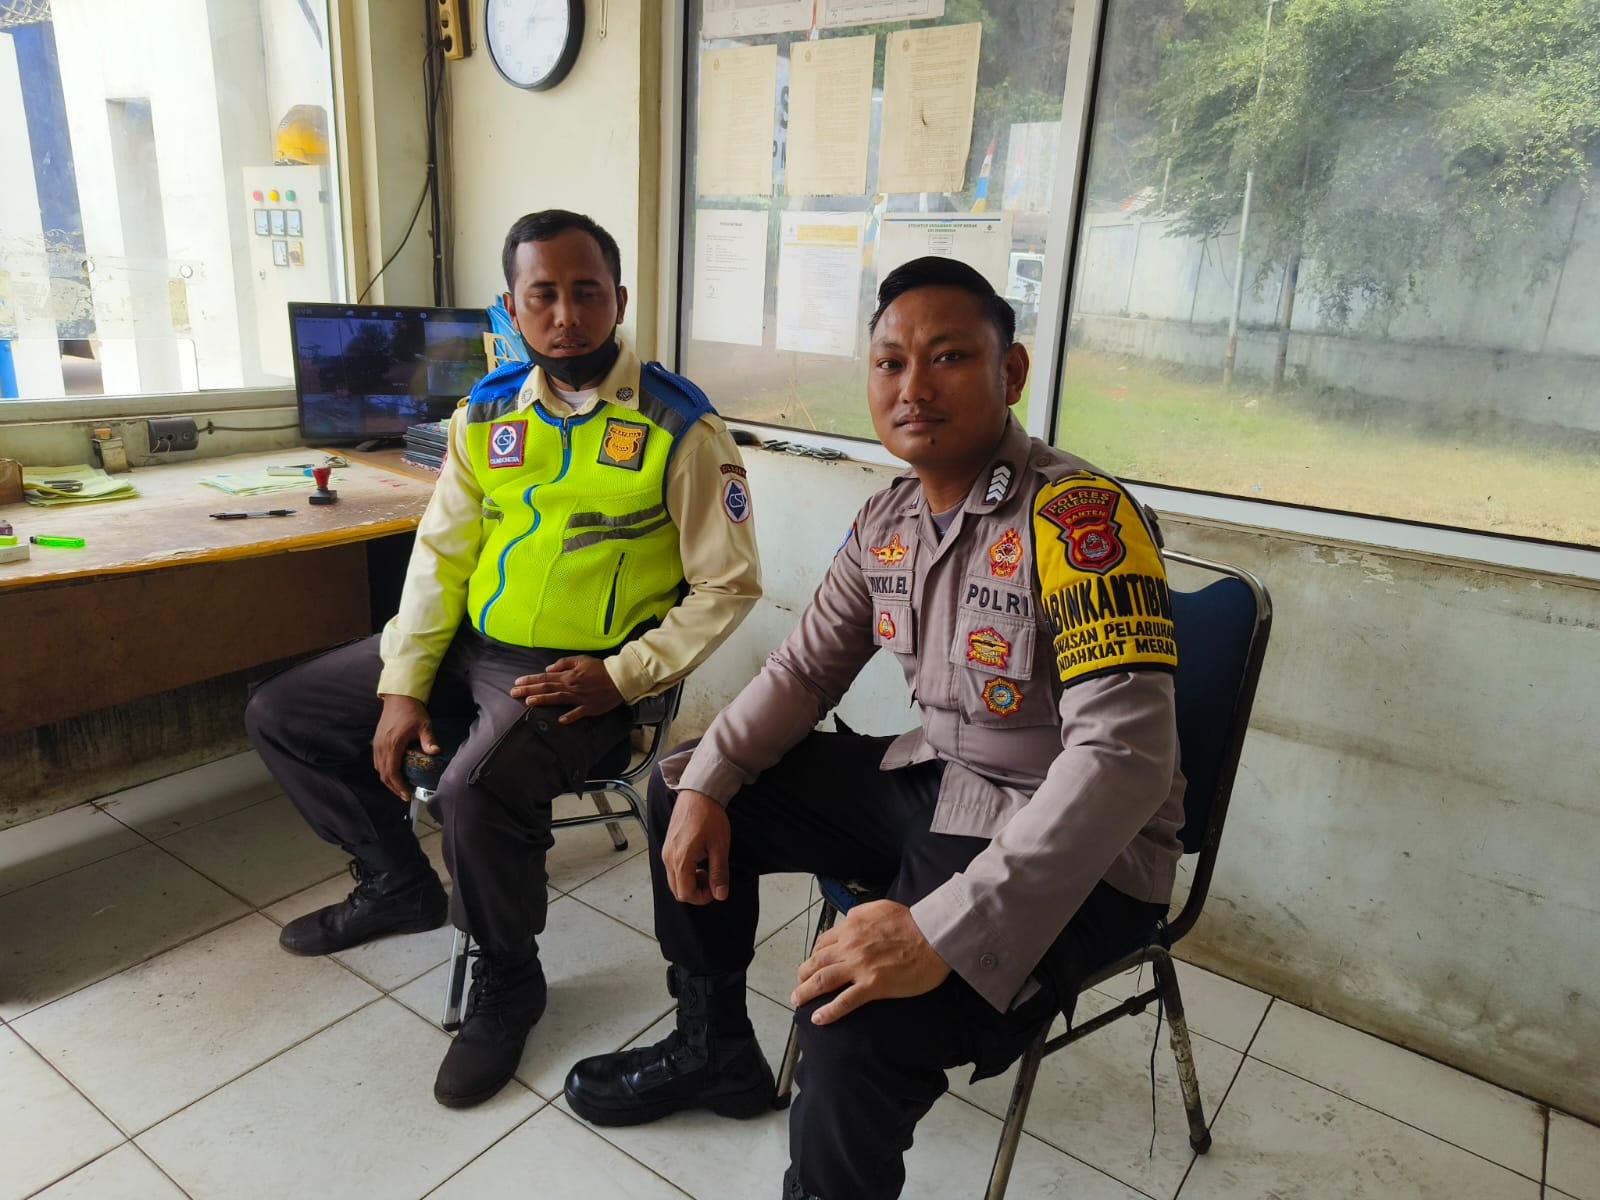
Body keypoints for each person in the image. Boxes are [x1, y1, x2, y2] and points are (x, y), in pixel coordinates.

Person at [562, 256, 1186, 1200]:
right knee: (688, 781)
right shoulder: (887, 520)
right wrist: (709, 781)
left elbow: (1123, 758)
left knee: (846, 1018)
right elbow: (805, 670)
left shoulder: (1079, 520)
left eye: (949, 357)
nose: (913, 387)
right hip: (937, 782)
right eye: (891, 362)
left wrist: (943, 928)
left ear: (1011, 372)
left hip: (1070, 841)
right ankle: (711, 1046)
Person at [245, 209, 762, 1110]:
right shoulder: (485, 412)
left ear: (619, 301)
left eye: (586, 292)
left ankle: (510, 977)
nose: (565, 314)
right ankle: (396, 884)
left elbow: (729, 585)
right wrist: (404, 684)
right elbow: (441, 558)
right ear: (512, 308)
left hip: (580, 675)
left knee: (474, 789)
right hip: (471, 644)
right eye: (543, 295)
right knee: (282, 713)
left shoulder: (679, 425)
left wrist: (623, 675)